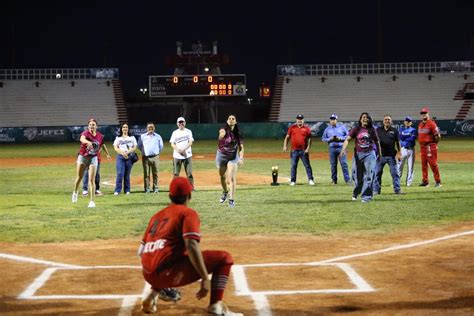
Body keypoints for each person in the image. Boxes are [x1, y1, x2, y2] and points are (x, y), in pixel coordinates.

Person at [139, 177, 243, 316]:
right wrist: (205, 278)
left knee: (169, 254)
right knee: (224, 258)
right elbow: (192, 245)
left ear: (170, 196)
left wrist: (158, 278)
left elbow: (141, 250)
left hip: (148, 274)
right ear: (189, 196)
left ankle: (152, 294)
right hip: (168, 274)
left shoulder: (156, 216)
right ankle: (216, 306)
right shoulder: (187, 213)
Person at [340, 112, 381, 202]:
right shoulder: (356, 129)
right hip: (358, 155)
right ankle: (356, 192)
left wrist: (379, 153)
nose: (365, 119)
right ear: (360, 119)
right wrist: (343, 150)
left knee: (369, 176)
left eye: (367, 117)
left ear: (369, 119)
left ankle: (366, 197)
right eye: (363, 117)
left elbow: (377, 142)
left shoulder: (372, 130)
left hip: (370, 154)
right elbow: (347, 139)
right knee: (357, 177)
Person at [72, 118, 111, 208]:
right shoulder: (85, 133)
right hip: (83, 157)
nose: (91, 126)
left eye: (93, 125)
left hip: (93, 158)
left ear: (96, 126)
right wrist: (88, 142)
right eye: (90, 125)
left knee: (92, 180)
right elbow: (82, 139)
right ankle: (75, 192)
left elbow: (102, 144)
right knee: (79, 177)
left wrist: (108, 154)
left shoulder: (100, 136)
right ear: (88, 126)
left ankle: (92, 201)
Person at [216, 114, 244, 208]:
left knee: (231, 178)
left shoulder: (238, 133)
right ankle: (225, 192)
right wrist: (221, 135)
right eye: (229, 118)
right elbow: (221, 133)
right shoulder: (224, 128)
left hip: (232, 157)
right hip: (222, 155)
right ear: (227, 121)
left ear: (235, 122)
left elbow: (241, 147)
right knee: (222, 177)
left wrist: (241, 157)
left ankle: (231, 200)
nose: (231, 120)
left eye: (233, 119)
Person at [283, 114, 315, 186]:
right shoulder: (292, 128)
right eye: (298, 119)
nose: (299, 120)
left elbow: (310, 139)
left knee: (307, 165)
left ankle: (310, 179)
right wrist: (285, 146)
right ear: (296, 120)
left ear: (303, 120)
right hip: (294, 151)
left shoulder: (306, 129)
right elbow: (287, 137)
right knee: (293, 166)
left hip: (303, 151)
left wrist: (308, 148)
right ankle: (293, 181)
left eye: (301, 119)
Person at [373, 115, 402, 195]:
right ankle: (376, 190)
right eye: (385, 119)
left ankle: (397, 190)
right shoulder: (378, 130)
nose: (387, 121)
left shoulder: (394, 131)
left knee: (395, 173)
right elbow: (374, 141)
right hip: (380, 156)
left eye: (389, 119)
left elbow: (398, 142)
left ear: (391, 121)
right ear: (383, 121)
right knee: (377, 173)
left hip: (391, 156)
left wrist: (399, 153)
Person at [321, 113, 350, 185]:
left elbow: (348, 136)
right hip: (332, 148)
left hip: (341, 147)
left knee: (344, 164)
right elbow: (323, 139)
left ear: (336, 120)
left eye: (334, 119)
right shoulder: (327, 129)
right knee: (333, 165)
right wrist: (330, 139)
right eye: (331, 119)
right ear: (330, 121)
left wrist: (340, 138)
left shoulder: (342, 127)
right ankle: (334, 180)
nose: (332, 121)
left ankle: (347, 180)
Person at [418, 107, 442, 187]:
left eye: (425, 113)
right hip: (422, 147)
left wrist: (434, 144)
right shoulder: (420, 124)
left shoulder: (431, 123)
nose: (423, 115)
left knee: (433, 164)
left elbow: (438, 135)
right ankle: (425, 182)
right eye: (422, 113)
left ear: (428, 114)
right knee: (424, 165)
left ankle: (438, 182)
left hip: (430, 147)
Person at [113, 122, 138, 195]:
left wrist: (128, 152)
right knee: (120, 173)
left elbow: (134, 147)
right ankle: (117, 190)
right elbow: (115, 147)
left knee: (127, 174)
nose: (125, 128)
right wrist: (122, 153)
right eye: (123, 127)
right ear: (121, 129)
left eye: (126, 127)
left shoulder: (132, 137)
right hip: (120, 157)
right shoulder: (118, 138)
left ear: (128, 129)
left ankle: (127, 190)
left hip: (129, 157)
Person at [170, 116, 194, 188]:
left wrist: (184, 149)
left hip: (187, 155)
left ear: (185, 123)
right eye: (179, 122)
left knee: (189, 173)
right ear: (177, 123)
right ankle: (175, 187)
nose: (181, 123)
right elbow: (172, 144)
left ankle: (191, 187)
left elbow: (190, 142)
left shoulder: (188, 131)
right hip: (177, 156)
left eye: (182, 122)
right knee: (176, 173)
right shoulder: (175, 133)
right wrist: (178, 150)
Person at [139, 122, 163, 193]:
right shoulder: (142, 136)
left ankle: (155, 188)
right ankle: (147, 188)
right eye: (149, 127)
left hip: (155, 157)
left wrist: (155, 152)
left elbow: (161, 146)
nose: (150, 128)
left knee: (155, 173)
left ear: (154, 128)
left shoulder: (158, 136)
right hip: (145, 158)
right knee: (146, 174)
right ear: (147, 128)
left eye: (152, 127)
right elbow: (139, 146)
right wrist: (145, 152)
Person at [398, 116, 417, 187]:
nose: (408, 122)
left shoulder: (413, 130)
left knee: (410, 167)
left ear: (411, 122)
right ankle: (397, 181)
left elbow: (412, 138)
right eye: (406, 121)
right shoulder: (401, 129)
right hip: (403, 149)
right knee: (400, 166)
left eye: (409, 121)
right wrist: (406, 139)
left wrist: (404, 140)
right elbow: (400, 138)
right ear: (404, 122)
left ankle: (409, 183)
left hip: (411, 149)